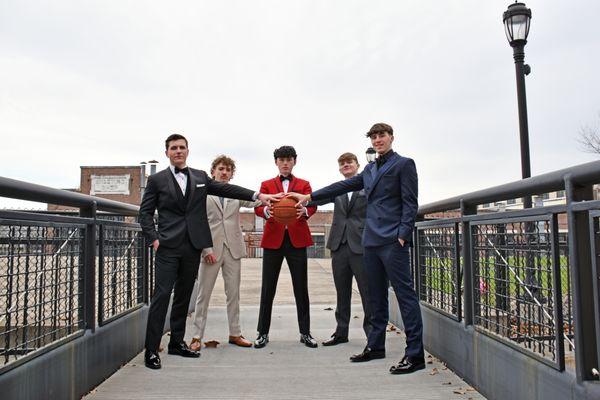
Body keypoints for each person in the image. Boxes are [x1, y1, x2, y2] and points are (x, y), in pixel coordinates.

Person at [288, 123, 425, 375]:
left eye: (381, 135)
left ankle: (415, 354)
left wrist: (403, 235)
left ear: (391, 137)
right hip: (370, 241)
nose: (378, 139)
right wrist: (309, 197)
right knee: (375, 297)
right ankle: (375, 347)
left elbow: (410, 201)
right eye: (374, 136)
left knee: (405, 296)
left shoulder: (404, 164)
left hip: (393, 241)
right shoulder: (371, 169)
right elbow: (341, 187)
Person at [139, 134, 280, 370]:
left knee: (184, 297)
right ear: (167, 153)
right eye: (173, 148)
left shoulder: (200, 178)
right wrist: (153, 239)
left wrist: (258, 196)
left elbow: (229, 190)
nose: (178, 151)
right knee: (162, 295)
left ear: (188, 150)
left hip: (192, 247)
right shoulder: (157, 180)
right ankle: (151, 350)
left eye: (182, 147)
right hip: (168, 246)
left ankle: (177, 343)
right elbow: (145, 213)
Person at [189, 155, 260, 351]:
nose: (224, 172)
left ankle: (235, 333)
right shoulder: (203, 193)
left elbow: (257, 202)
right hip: (210, 250)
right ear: (213, 171)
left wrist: (273, 196)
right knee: (203, 295)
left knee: (234, 294)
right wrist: (205, 249)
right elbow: (198, 222)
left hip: (233, 249)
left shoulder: (234, 193)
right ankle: (196, 337)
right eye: (221, 169)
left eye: (228, 170)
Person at [253, 145, 318, 349]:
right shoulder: (266, 184)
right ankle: (262, 333)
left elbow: (313, 204)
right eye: (281, 160)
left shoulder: (304, 184)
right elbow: (258, 206)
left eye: (289, 159)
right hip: (273, 240)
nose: (285, 163)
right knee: (267, 289)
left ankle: (305, 332)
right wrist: (266, 212)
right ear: (276, 162)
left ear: (294, 161)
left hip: (297, 239)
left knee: (301, 287)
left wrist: (305, 212)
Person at [309, 152, 373, 346]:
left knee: (367, 292)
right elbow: (315, 200)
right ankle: (341, 332)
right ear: (339, 168)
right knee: (342, 292)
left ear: (357, 165)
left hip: (360, 245)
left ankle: (372, 334)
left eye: (349, 162)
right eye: (342, 163)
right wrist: (299, 201)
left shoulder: (367, 186)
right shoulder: (337, 190)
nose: (346, 165)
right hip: (338, 246)